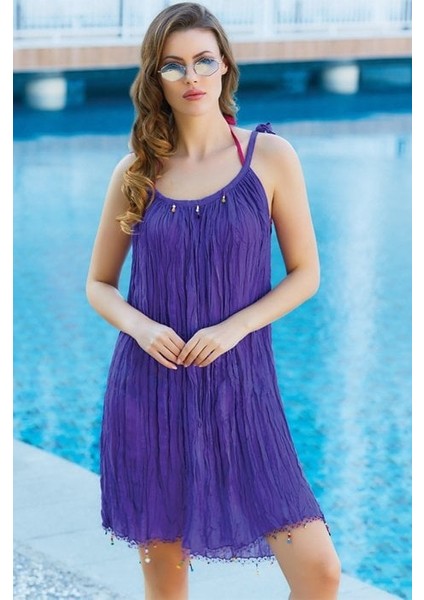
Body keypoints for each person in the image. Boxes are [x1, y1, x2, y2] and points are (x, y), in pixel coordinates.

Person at [86, 2, 341, 599]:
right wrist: (141, 327)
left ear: (225, 64)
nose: (192, 77)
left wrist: (235, 328)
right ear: (156, 77)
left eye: (203, 60)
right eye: (173, 65)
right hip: (149, 391)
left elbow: (306, 274)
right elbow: (98, 283)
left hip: (242, 390)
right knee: (166, 583)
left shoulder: (270, 158)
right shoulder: (136, 171)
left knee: (319, 572)